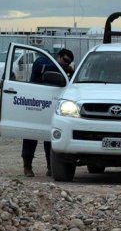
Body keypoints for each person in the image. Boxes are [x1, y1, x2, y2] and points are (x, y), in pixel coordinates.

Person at [21, 48, 75, 177]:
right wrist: (62, 68)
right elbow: (41, 68)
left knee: (50, 138)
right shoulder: (43, 60)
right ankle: (27, 167)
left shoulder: (62, 70)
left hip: (50, 105)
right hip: (34, 103)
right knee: (31, 135)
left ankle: (51, 167)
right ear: (59, 56)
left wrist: (70, 72)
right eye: (65, 60)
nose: (66, 64)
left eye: (69, 62)